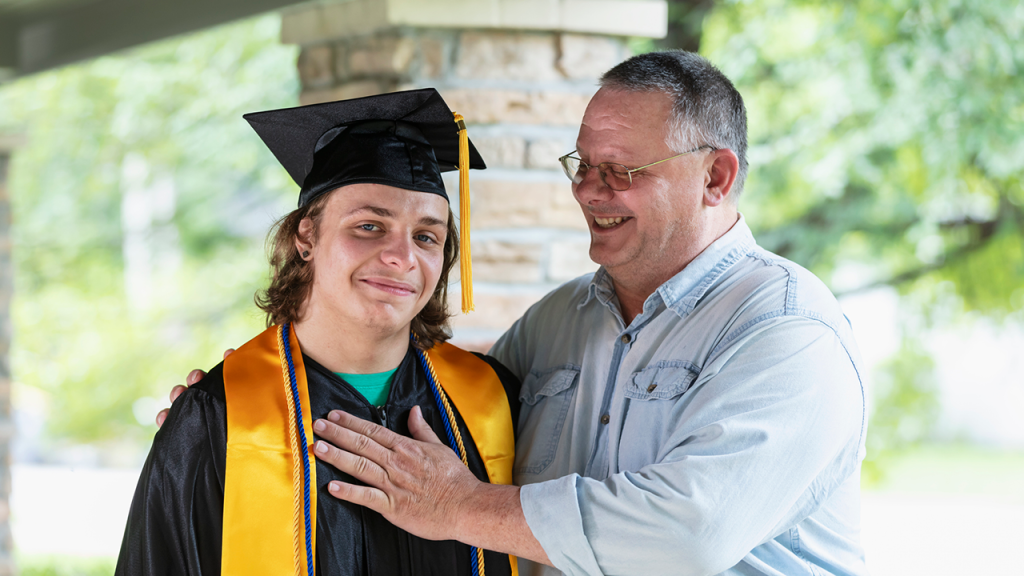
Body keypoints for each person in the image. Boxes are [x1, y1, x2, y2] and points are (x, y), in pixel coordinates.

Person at [168, 50, 868, 576]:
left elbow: (689, 534)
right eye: (581, 165)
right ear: (306, 236)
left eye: (622, 170)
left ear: (716, 176)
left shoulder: (785, 331)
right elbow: (447, 413)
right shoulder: (561, 320)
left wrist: (460, 507)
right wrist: (238, 413)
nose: (589, 191)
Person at [118, 88, 520, 576]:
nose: (403, 256)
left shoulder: (493, 399)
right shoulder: (221, 415)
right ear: (306, 235)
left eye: (426, 236)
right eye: (370, 226)